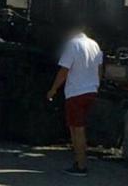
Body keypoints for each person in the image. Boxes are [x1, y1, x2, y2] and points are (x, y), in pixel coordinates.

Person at [47, 24, 103, 177]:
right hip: (91, 90)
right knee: (78, 127)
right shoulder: (94, 44)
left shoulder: (72, 45)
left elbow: (64, 70)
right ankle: (79, 162)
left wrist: (53, 89)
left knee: (77, 129)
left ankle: (81, 165)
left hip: (76, 92)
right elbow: (99, 69)